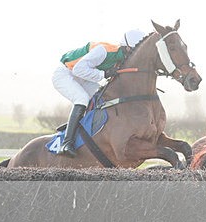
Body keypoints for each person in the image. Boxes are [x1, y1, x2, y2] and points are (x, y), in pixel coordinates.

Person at [51, 29, 147, 157]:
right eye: (134, 50)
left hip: (84, 77)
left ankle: (76, 126)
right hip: (65, 73)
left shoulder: (122, 58)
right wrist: (104, 74)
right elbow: (78, 69)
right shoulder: (103, 51)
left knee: (101, 97)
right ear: (127, 47)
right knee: (82, 99)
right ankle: (66, 143)